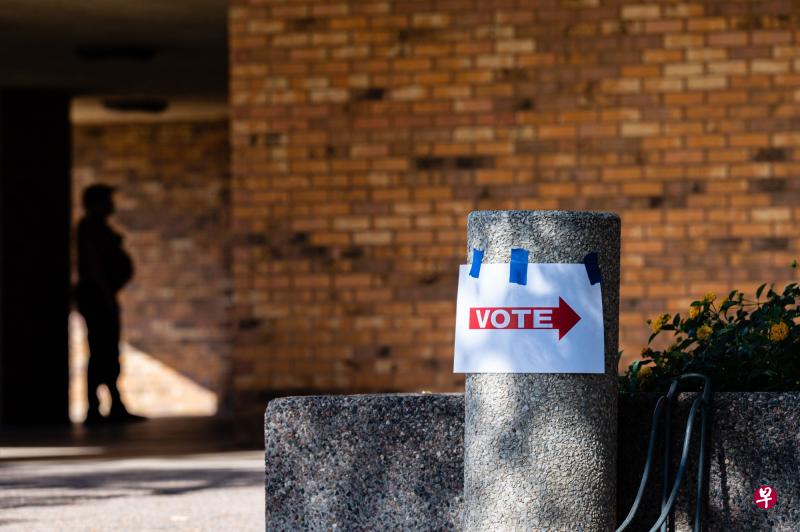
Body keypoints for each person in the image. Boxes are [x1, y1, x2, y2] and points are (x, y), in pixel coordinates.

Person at [76, 184, 142, 424]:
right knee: (100, 351)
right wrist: (103, 293)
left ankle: (114, 402)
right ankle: (95, 407)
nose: (111, 205)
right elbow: (93, 266)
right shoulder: (90, 228)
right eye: (107, 200)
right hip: (97, 298)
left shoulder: (98, 228)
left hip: (103, 295)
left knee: (108, 350)